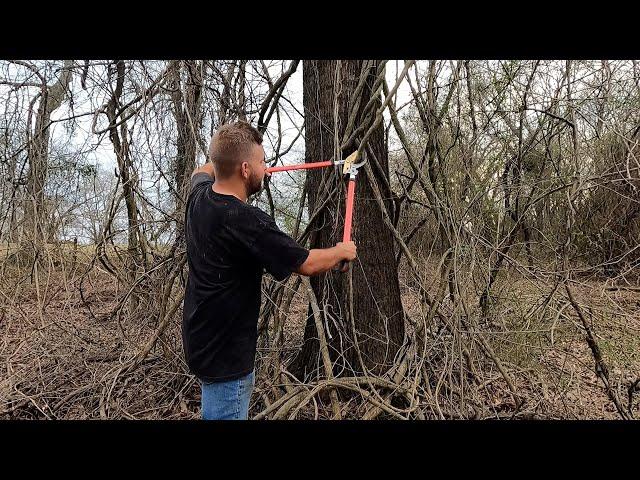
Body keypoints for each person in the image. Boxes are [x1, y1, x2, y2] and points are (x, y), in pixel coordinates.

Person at [182, 121, 357, 420]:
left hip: (201, 342)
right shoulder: (246, 221)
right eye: (263, 162)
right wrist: (342, 251)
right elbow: (307, 263)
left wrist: (225, 159)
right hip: (226, 359)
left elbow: (203, 170)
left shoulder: (198, 196)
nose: (268, 168)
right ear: (246, 170)